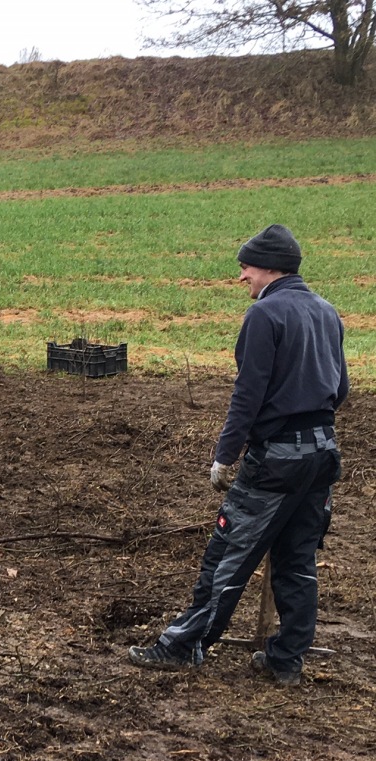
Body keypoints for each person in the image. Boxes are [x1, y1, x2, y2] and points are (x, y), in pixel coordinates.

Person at [129, 224, 347, 686]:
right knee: (298, 559)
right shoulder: (327, 312)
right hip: (323, 454)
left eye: (245, 266)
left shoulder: (265, 316)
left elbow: (247, 396)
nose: (241, 275)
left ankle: (183, 646)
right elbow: (340, 388)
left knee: (228, 552)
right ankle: (287, 659)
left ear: (269, 266)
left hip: (276, 460)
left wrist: (225, 456)